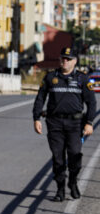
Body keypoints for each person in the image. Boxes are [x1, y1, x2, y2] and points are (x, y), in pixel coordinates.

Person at [33, 46, 96, 201]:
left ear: (74, 61)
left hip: (75, 124)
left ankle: (72, 182)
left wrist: (89, 122)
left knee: (75, 155)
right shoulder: (50, 77)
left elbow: (92, 102)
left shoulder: (82, 79)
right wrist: (36, 118)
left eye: (68, 59)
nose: (65, 62)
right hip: (55, 123)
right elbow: (40, 98)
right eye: (63, 59)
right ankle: (60, 189)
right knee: (58, 158)